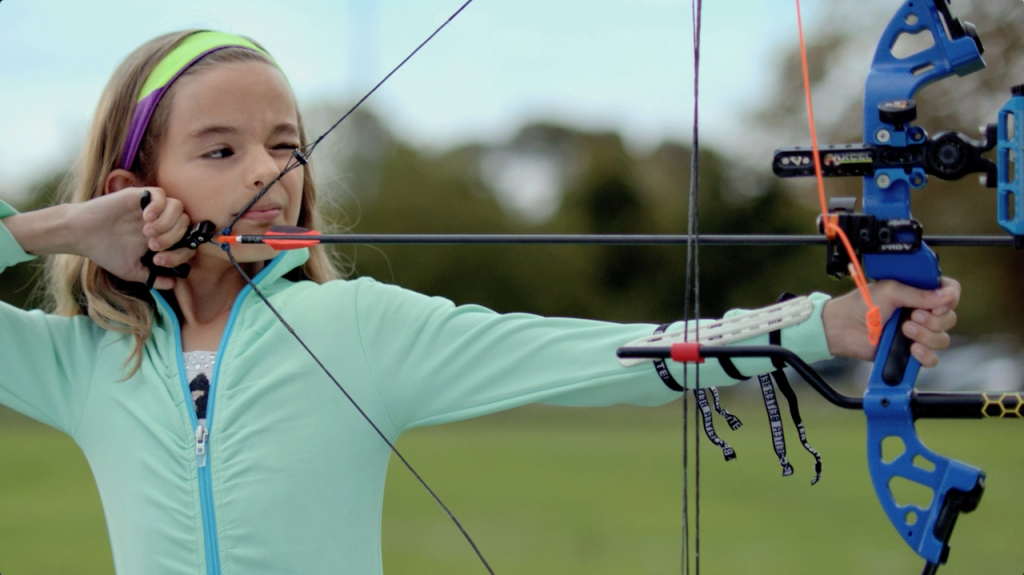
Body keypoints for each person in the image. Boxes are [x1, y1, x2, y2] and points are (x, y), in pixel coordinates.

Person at [0, 30, 959, 574]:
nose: (270, 171)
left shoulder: (360, 328)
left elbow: (608, 356)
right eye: (220, 150)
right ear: (136, 182)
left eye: (286, 143)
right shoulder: (81, 363)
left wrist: (823, 326)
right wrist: (63, 229)